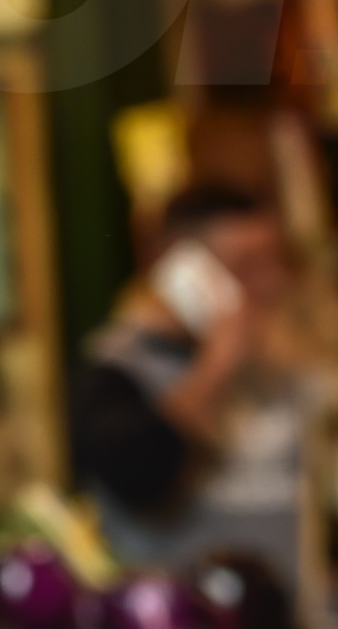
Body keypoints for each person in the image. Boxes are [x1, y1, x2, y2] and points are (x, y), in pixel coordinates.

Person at [71, 181, 309, 590]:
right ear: (182, 269)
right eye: (246, 266)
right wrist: (218, 366)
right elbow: (138, 478)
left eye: (275, 262)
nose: (271, 284)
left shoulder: (282, 358)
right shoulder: (116, 369)